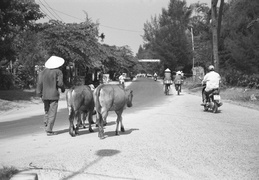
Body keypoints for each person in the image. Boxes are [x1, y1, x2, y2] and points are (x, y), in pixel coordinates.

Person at [36, 55, 65, 136]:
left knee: (46, 110)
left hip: (44, 95)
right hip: (53, 95)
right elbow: (60, 83)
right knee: (52, 112)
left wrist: (39, 93)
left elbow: (39, 83)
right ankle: (49, 130)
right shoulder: (58, 72)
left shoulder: (42, 72)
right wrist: (63, 89)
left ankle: (46, 124)